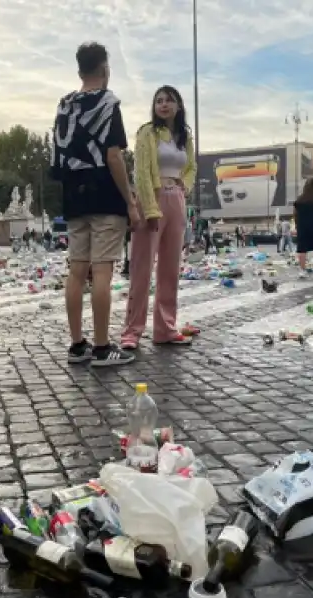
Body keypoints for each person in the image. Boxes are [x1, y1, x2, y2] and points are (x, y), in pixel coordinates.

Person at [50, 42, 139, 366]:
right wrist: (129, 200)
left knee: (76, 270)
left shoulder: (64, 106)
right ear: (104, 69)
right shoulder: (107, 103)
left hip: (74, 195)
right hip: (103, 193)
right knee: (102, 269)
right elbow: (114, 155)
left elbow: (58, 153)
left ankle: (77, 345)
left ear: (79, 71)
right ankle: (102, 347)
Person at [120, 85, 196, 350]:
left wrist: (185, 186)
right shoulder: (147, 133)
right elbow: (141, 172)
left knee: (170, 269)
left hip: (176, 199)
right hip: (151, 198)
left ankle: (165, 328)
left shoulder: (183, 137)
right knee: (142, 268)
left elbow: (191, 167)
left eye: (169, 101)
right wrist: (150, 209)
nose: (163, 105)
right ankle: (132, 331)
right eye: (159, 101)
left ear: (178, 106)